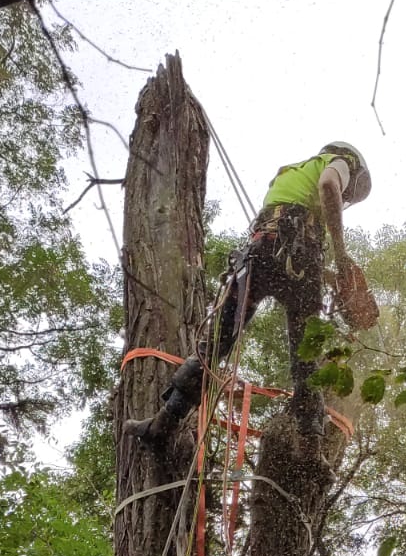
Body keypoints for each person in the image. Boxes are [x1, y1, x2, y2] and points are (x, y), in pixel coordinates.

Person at [125, 142, 372, 444]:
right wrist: (341, 254)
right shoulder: (337, 162)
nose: (346, 196)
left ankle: (166, 420)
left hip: (262, 257)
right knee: (305, 358)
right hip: (297, 262)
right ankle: (312, 439)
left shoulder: (292, 173)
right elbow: (329, 187)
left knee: (216, 343)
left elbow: (287, 236)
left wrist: (329, 275)